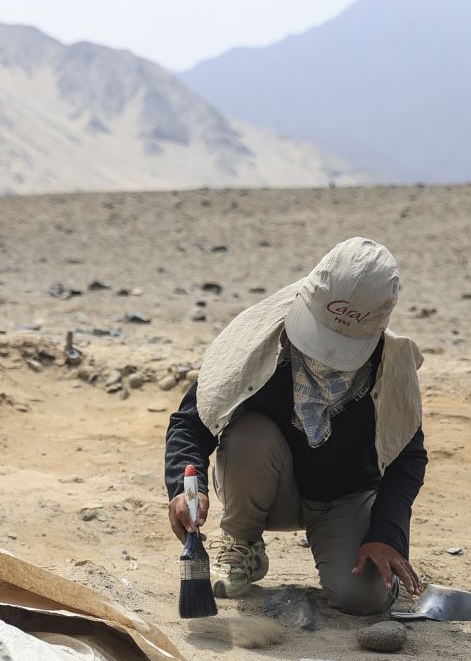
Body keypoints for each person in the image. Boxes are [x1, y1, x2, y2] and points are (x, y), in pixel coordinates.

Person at [163, 237, 426, 612]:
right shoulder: (258, 342)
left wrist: (387, 534)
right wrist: (183, 489)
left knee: (363, 599)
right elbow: (192, 422)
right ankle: (242, 544)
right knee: (247, 435)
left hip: (345, 499)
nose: (327, 355)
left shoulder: (391, 368)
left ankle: (358, 564)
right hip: (264, 487)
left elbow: (407, 458)